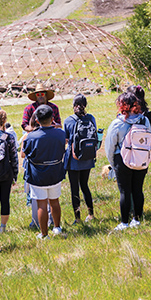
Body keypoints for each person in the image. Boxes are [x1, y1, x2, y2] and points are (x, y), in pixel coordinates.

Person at [105, 92, 151, 230]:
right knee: (138, 190)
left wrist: (113, 164)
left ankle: (124, 222)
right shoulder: (144, 120)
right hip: (141, 158)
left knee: (125, 192)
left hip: (122, 160)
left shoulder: (117, 123)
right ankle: (137, 219)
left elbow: (109, 147)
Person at [22, 104, 67, 239]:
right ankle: (57, 227)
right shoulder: (60, 133)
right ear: (52, 118)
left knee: (41, 203)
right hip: (55, 172)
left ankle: (44, 234)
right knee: (55, 201)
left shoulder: (32, 137)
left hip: (38, 175)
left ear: (36, 120)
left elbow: (24, 154)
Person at [62, 94, 97, 224]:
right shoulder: (91, 118)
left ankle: (77, 218)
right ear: (85, 105)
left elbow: (66, 139)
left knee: (74, 188)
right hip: (87, 158)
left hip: (74, 159)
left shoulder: (68, 121)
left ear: (73, 105)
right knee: (85, 186)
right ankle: (91, 214)